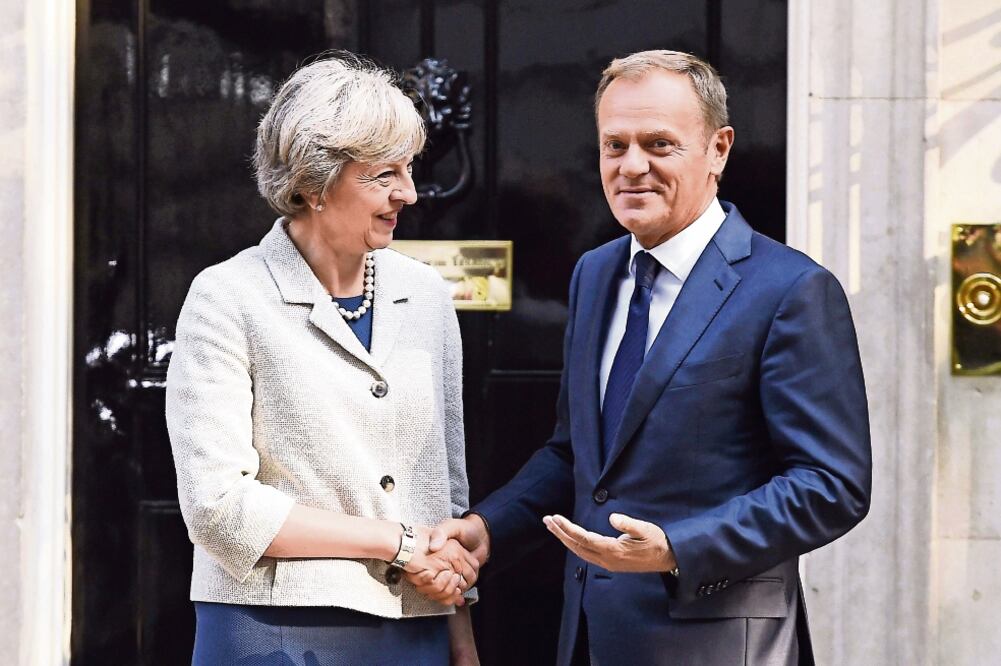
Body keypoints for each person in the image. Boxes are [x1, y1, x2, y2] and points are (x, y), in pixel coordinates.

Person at [413, 50, 872, 665]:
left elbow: (831, 485)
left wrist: (676, 547)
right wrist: (487, 529)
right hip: (589, 638)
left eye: (659, 144)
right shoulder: (595, 273)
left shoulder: (790, 290)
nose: (632, 166)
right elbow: (576, 455)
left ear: (718, 150)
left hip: (718, 646)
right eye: (615, 145)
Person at [166, 53, 479, 665]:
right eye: (383, 174)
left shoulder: (427, 295)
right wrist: (396, 543)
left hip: (415, 629)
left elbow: (443, 490)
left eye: (408, 169)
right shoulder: (226, 296)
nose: (409, 193)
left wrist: (461, 638)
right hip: (273, 632)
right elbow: (217, 507)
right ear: (313, 184)